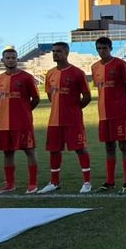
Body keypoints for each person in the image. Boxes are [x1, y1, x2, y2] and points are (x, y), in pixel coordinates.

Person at [41, 41, 93, 194]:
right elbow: (50, 95)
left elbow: (87, 96)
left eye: (58, 51)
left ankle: (87, 182)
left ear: (66, 53)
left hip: (72, 119)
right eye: (53, 51)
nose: (55, 54)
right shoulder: (50, 73)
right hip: (54, 120)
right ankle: (54, 182)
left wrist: (74, 109)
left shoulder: (77, 73)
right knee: (54, 150)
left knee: (80, 149)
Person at [0, 46, 42, 195]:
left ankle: (33, 184)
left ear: (17, 59)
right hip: (4, 123)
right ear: (2, 60)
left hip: (22, 122)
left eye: (13, 58)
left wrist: (25, 111)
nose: (10, 60)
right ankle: (9, 184)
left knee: (29, 150)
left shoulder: (27, 77)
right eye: (7, 58)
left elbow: (36, 99)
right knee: (7, 153)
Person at [91, 36, 126, 192]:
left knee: (123, 145)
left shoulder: (120, 64)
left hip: (119, 113)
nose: (102, 51)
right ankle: (110, 182)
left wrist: (121, 103)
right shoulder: (95, 67)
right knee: (109, 147)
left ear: (111, 48)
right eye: (99, 48)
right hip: (103, 114)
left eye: (105, 48)